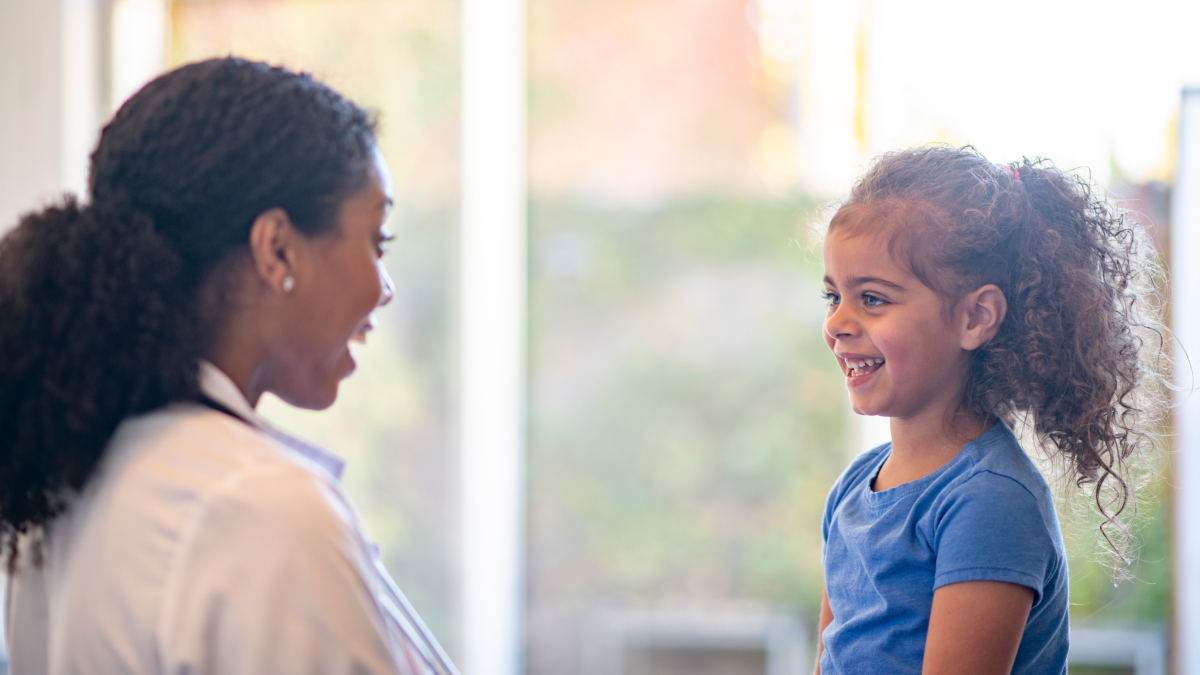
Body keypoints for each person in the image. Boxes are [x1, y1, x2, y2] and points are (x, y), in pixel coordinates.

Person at [0, 57, 458, 675]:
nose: (385, 287)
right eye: (377, 241)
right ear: (276, 248)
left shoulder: (71, 485)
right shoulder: (257, 505)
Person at [815, 146, 1163, 674]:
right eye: (833, 296)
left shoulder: (990, 503)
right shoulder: (854, 488)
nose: (838, 321)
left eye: (873, 299)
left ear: (976, 317)